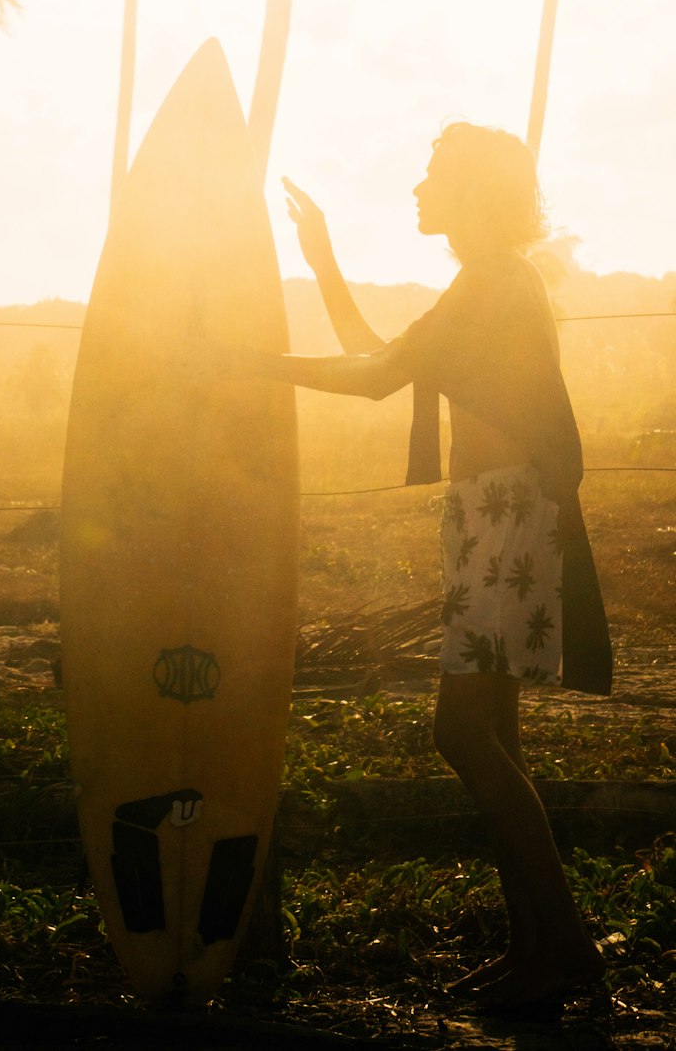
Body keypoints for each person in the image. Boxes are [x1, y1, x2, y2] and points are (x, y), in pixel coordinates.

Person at [238, 123, 611, 1013]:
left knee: (460, 734)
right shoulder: (485, 284)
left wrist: (240, 367)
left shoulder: (490, 285)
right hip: (497, 511)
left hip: (507, 512)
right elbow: (387, 359)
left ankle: (565, 945)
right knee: (498, 737)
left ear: (474, 194)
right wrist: (323, 260)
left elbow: (374, 376)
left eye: (434, 173)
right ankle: (535, 955)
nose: (416, 188)